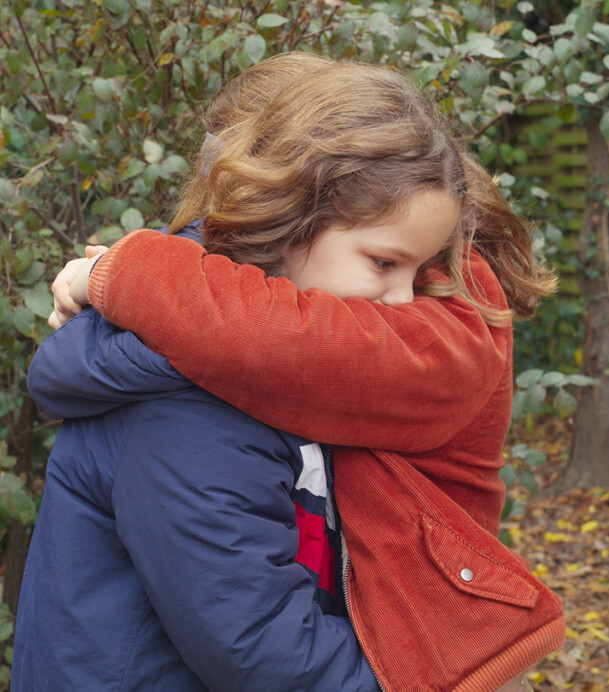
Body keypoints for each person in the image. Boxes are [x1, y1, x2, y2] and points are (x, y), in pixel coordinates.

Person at [44, 56, 564, 690]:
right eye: (384, 263)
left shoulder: (450, 307)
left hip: (415, 631)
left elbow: (287, 336)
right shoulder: (188, 399)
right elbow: (258, 649)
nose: (404, 298)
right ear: (289, 214)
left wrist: (121, 272)